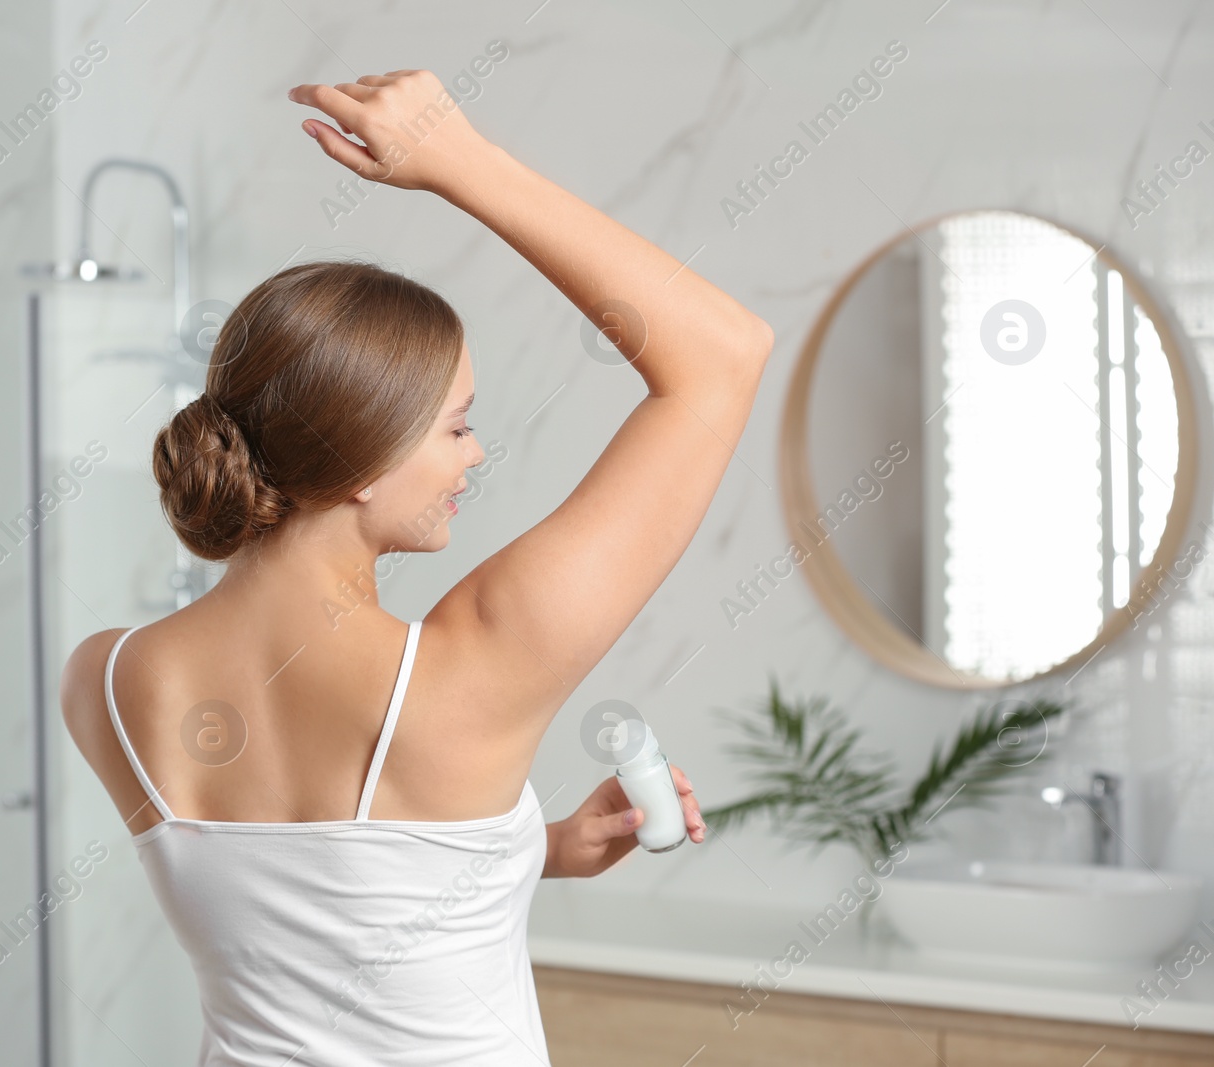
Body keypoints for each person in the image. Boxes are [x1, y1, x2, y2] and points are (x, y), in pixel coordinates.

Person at [61, 68, 773, 1066]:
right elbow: (722, 353)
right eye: (456, 425)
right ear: (360, 460)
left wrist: (526, 848)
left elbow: (310, 910)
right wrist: (455, 161)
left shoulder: (105, 678)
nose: (473, 455)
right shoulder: (471, 667)